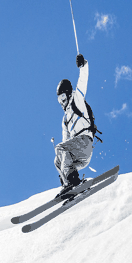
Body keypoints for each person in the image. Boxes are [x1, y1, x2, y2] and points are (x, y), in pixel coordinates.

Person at [54, 53, 93, 197]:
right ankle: (67, 185)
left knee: (60, 148)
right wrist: (62, 165)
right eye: (59, 100)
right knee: (57, 158)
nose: (62, 103)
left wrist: (83, 65)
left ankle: (74, 181)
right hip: (77, 155)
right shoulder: (65, 120)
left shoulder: (77, 99)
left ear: (69, 94)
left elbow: (83, 81)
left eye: (63, 98)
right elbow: (65, 144)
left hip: (84, 143)